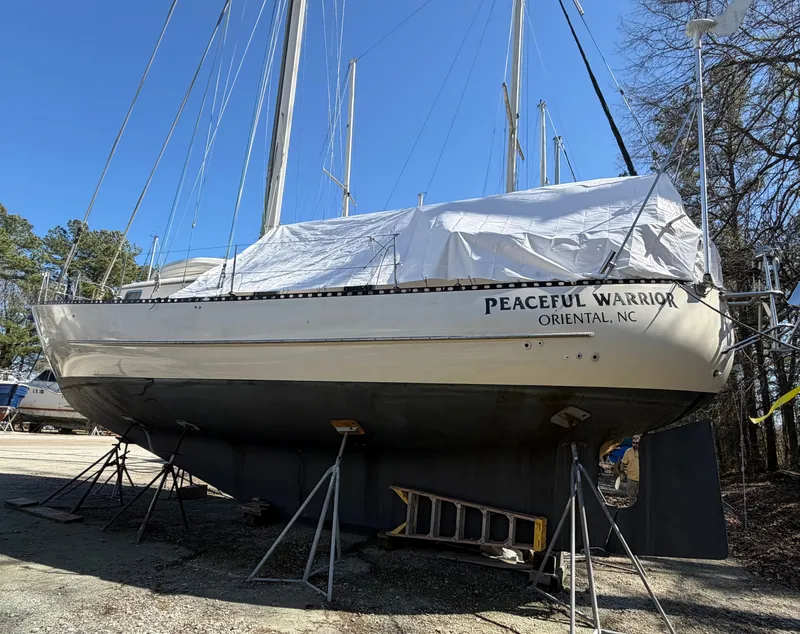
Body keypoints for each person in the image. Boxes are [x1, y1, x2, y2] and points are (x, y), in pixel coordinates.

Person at [620, 435, 641, 503]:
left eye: (637, 443)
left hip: (642, 478)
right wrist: (621, 474)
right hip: (631, 478)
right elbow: (623, 463)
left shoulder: (644, 451)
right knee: (631, 497)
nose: (635, 445)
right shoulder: (628, 451)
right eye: (633, 443)